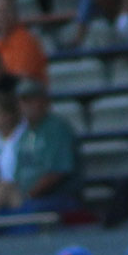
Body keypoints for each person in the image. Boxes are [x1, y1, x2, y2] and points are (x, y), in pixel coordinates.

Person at [12, 80, 84, 214]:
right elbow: (18, 174)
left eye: (31, 100)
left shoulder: (57, 128)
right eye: (22, 101)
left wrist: (27, 196)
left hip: (58, 198)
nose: (26, 106)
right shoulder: (24, 134)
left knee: (23, 212)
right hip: (29, 199)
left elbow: (57, 172)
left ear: (44, 102)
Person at [0, 0, 50, 86]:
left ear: (15, 13)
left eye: (5, 12)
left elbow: (24, 78)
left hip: (28, 94)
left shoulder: (26, 40)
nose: (1, 17)